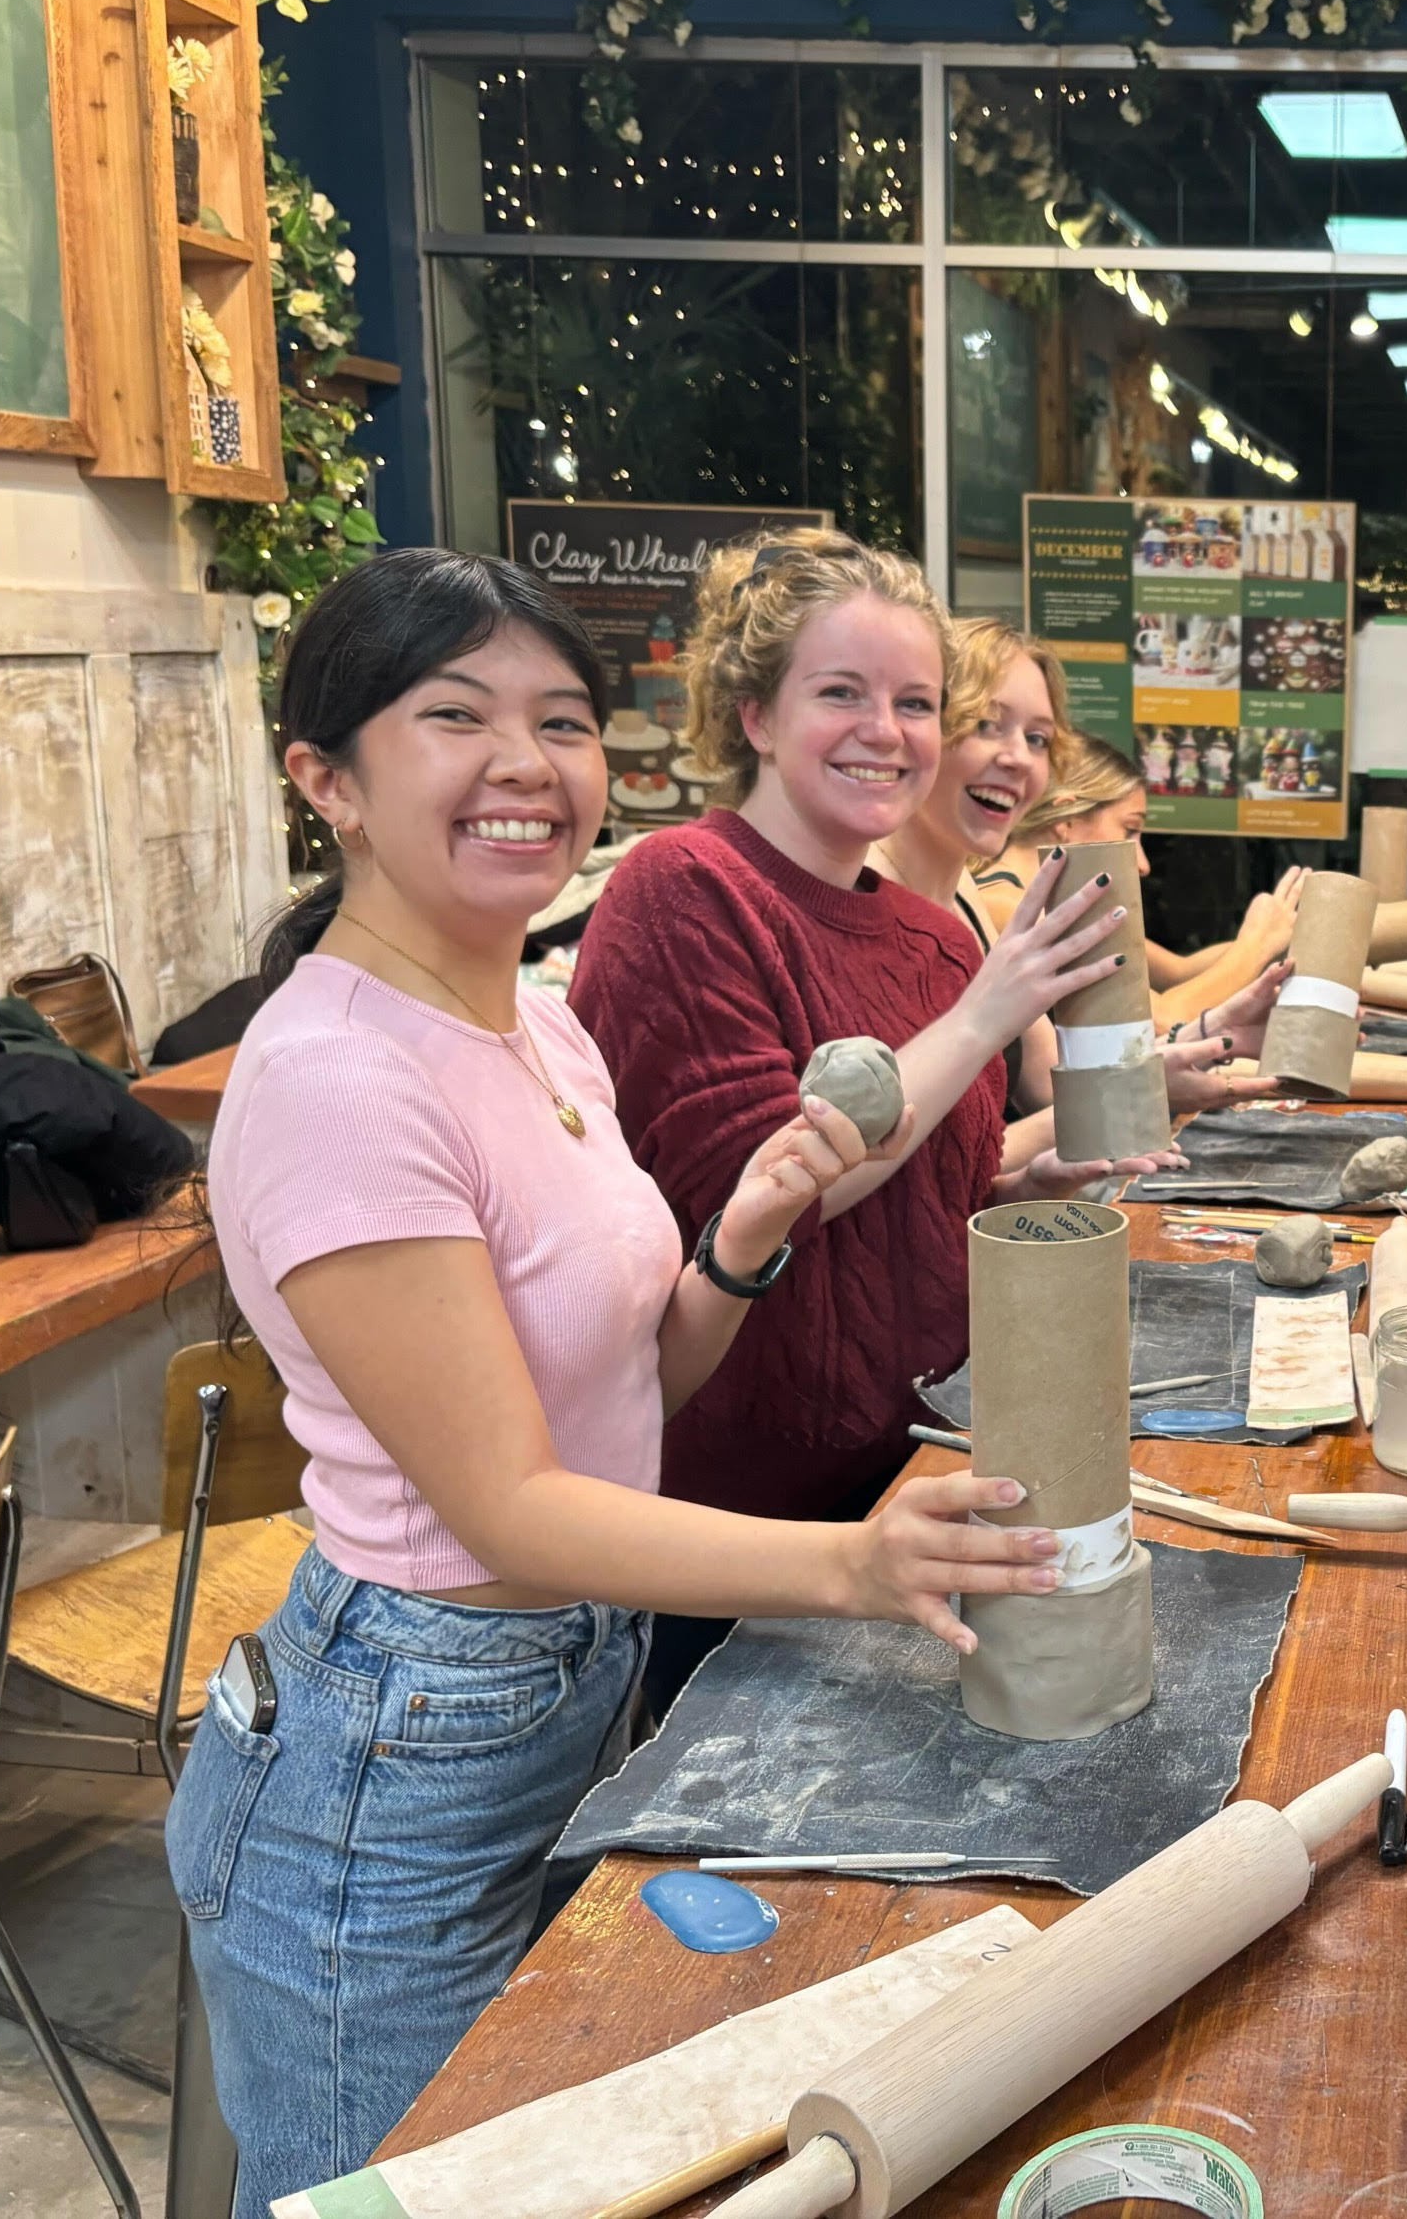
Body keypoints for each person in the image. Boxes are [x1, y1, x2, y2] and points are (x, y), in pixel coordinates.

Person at [174, 550, 1058, 2217]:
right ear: (328, 781)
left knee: (550, 2161)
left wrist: (741, 1240)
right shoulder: (335, 1079)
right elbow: (505, 1499)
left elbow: (634, 1375)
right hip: (395, 1748)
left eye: (561, 721)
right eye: (457, 719)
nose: (527, 764)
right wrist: (848, 1568)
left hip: (557, 1690)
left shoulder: (536, 1028)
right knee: (409, 2193)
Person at [570, 531, 1131, 1709]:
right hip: (738, 1538)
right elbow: (769, 1191)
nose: (888, 730)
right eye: (843, 693)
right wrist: (990, 1011)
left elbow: (922, 1187)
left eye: (916, 702)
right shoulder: (683, 892)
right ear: (755, 715)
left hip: (916, 1485)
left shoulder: (930, 939)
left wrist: (1026, 1186)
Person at [873, 616, 1283, 1147]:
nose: (1017, 756)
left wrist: (1206, 1037)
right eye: (984, 724)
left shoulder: (964, 893)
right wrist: (1257, 943)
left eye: (1037, 738)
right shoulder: (919, 898)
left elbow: (1049, 1083)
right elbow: (890, 1167)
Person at [971, 726, 1307, 1031]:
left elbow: (1179, 970)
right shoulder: (1014, 909)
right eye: (1129, 830)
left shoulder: (1049, 906)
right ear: (1067, 820)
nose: (1143, 864)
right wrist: (1257, 943)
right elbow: (1159, 1020)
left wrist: (1285, 937)